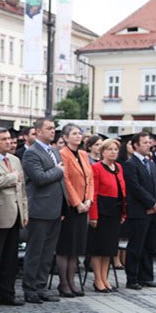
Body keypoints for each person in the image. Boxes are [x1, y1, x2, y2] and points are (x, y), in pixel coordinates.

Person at [0, 127, 28, 307]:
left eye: (9, 139)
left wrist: (24, 212)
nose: (8, 142)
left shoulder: (15, 160)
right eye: (3, 139)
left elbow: (22, 189)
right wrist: (11, 177)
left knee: (10, 257)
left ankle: (6, 293)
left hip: (15, 213)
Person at [21, 118, 65, 303]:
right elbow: (39, 178)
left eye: (54, 128)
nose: (52, 131)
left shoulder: (54, 151)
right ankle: (30, 288)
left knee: (48, 252)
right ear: (38, 132)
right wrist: (57, 170)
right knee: (36, 251)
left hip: (55, 208)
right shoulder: (32, 153)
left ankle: (41, 286)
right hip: (39, 209)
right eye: (48, 128)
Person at [122, 132, 156, 290]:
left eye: (149, 142)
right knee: (136, 246)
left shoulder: (151, 163)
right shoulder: (130, 164)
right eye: (145, 143)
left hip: (154, 211)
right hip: (140, 211)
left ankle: (146, 276)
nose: (149, 145)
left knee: (149, 246)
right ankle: (132, 278)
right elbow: (135, 188)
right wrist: (151, 203)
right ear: (136, 146)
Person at [56, 124, 93, 297]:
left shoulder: (84, 155)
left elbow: (90, 179)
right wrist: (77, 203)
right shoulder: (63, 154)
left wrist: (88, 199)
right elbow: (66, 180)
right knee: (65, 246)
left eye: (80, 133)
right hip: (70, 207)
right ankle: (63, 283)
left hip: (84, 205)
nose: (79, 136)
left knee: (76, 247)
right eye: (74, 133)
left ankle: (72, 282)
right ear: (65, 137)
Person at [88, 139, 125, 292]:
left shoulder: (118, 167)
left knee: (109, 249)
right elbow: (94, 193)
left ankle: (105, 277)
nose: (113, 152)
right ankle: (98, 279)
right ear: (102, 152)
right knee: (99, 248)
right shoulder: (96, 168)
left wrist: (123, 211)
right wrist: (93, 215)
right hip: (102, 210)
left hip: (115, 210)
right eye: (109, 149)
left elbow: (121, 189)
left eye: (115, 149)